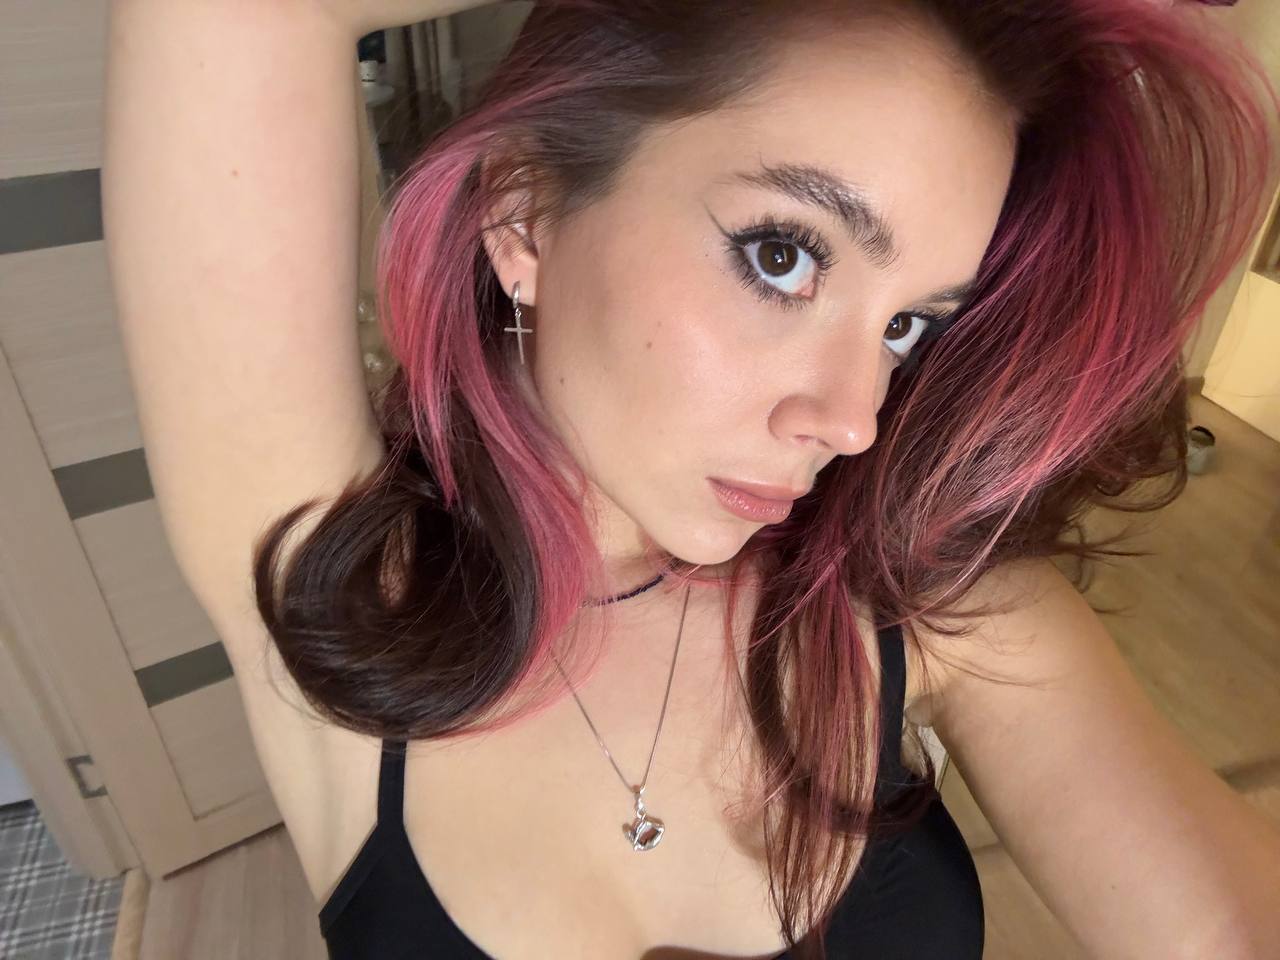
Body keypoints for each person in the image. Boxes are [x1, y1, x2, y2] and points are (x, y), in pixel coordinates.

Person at [102, 0, 1280, 957]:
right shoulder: (346, 587)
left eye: (907, 326)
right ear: (523, 213)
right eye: (782, 256)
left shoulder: (932, 615)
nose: (852, 420)